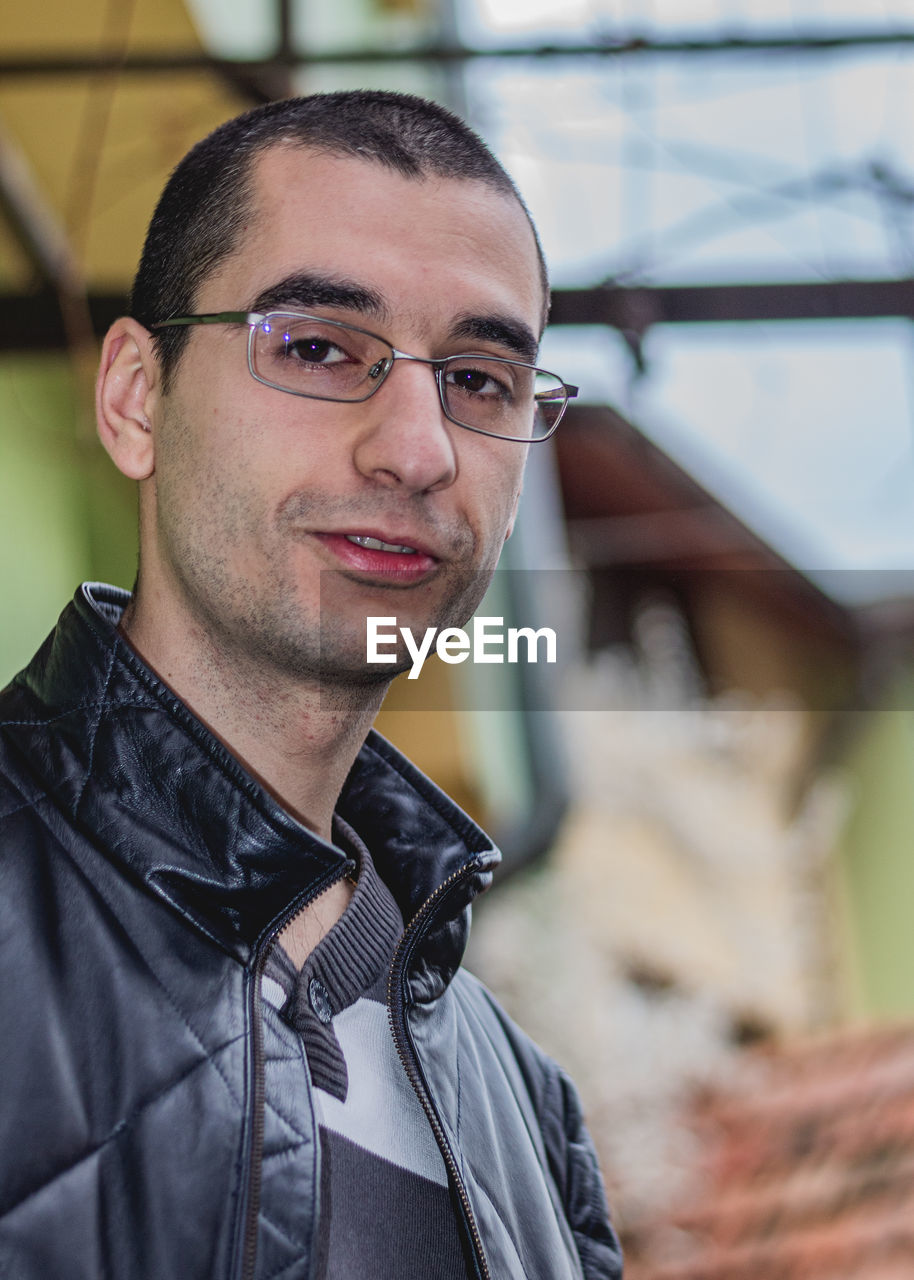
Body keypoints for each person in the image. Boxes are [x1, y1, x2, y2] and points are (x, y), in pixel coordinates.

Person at [0, 91, 621, 1279]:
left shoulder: (530, 1116)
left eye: (480, 378)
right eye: (321, 347)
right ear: (137, 395)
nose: (417, 446)